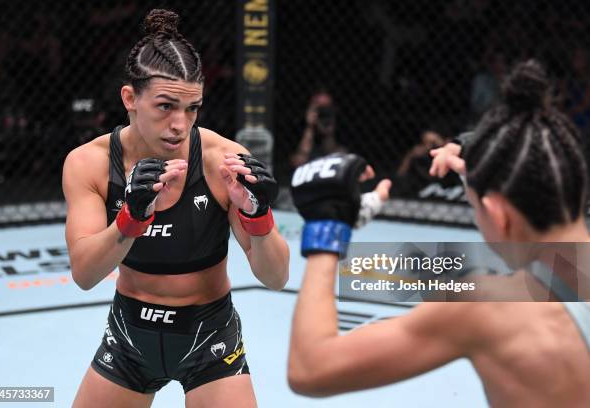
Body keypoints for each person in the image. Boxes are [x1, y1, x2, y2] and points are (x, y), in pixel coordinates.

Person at [288, 60, 590, 407]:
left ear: (497, 214)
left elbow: (310, 367)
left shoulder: (487, 308)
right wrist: (488, 161)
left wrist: (329, 228)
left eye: (475, 208)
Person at [63, 9, 289, 408]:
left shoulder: (223, 161)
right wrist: (131, 218)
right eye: (165, 106)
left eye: (192, 109)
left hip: (210, 342)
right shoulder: (90, 163)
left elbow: (275, 276)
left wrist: (259, 219)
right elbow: (84, 273)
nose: (180, 125)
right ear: (130, 98)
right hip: (129, 338)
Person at [289, 89, 346, 168]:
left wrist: (329, 132)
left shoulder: (341, 127)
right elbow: (298, 163)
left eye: (327, 107)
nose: (323, 111)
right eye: (319, 107)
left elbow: (339, 161)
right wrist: (310, 127)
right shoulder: (297, 127)